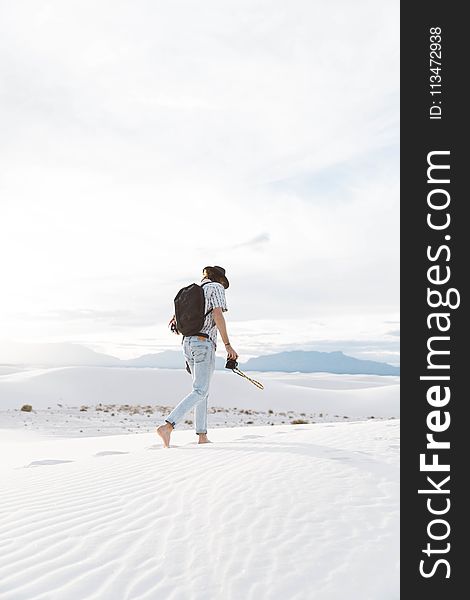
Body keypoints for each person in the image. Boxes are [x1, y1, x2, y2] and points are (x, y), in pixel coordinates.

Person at [156, 266, 238, 447]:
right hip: (204, 343)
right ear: (218, 279)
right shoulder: (215, 288)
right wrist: (227, 345)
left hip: (187, 344)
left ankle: (202, 436)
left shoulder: (192, 292)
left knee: (202, 391)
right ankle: (168, 426)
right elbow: (217, 314)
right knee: (200, 390)